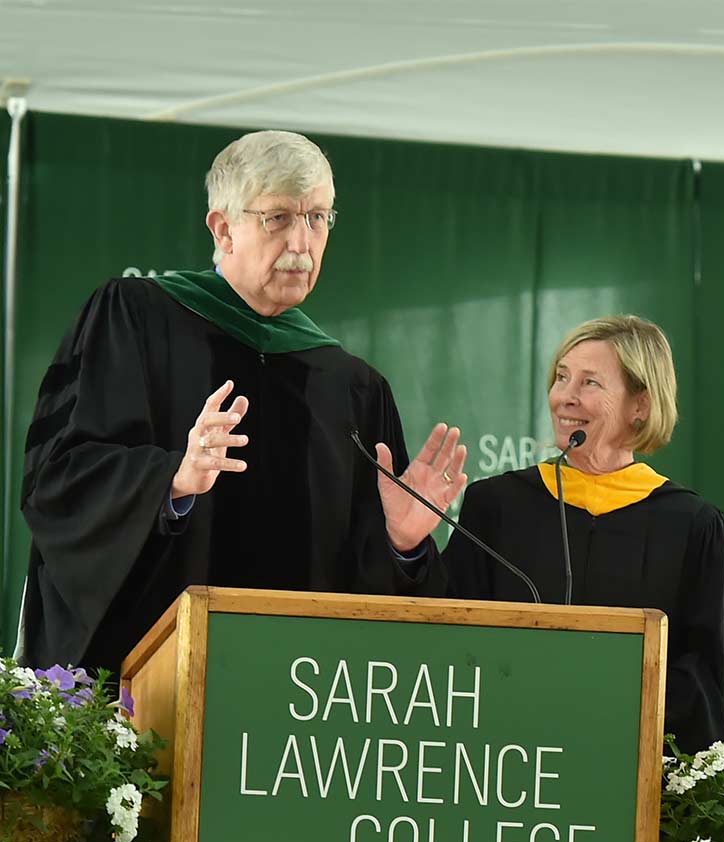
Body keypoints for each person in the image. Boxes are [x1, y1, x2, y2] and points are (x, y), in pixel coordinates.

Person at [19, 129, 465, 679]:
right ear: (223, 228)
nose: (302, 244)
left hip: (290, 712)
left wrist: (398, 543)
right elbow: (58, 480)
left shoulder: (350, 387)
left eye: (318, 218)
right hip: (145, 698)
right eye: (278, 218)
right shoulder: (132, 321)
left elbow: (361, 599)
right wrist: (172, 481)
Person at [378, 315, 724, 755]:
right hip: (505, 764)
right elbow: (441, 637)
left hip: (635, 774)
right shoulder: (499, 506)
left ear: (640, 405)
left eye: (590, 383)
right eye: (562, 377)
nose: (565, 397)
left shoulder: (694, 528)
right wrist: (407, 545)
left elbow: (717, 680)